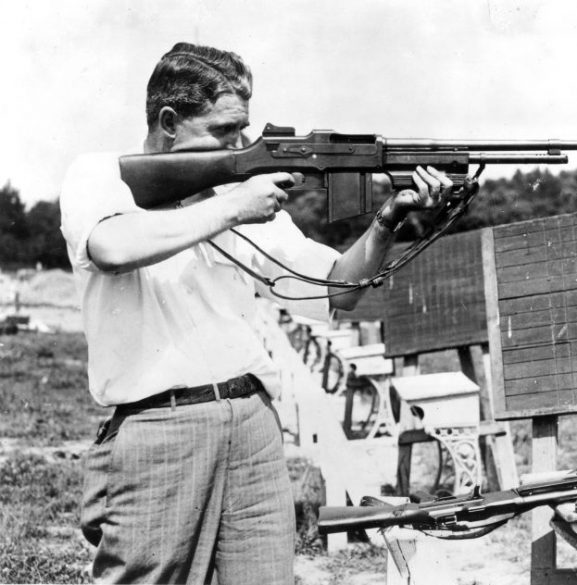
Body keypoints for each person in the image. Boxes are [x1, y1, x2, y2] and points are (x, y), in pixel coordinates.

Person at [60, 42, 453, 584]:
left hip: (252, 426)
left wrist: (388, 221)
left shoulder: (238, 198)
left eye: (245, 131)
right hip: (158, 431)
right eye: (226, 131)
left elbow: (336, 289)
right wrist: (233, 206)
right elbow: (111, 247)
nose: (242, 146)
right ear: (170, 122)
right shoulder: (101, 177)